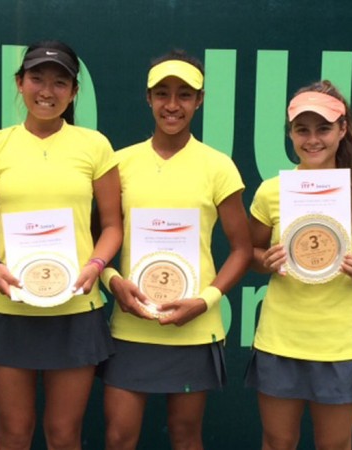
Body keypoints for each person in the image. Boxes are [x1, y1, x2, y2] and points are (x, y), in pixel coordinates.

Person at [0, 40, 122, 450]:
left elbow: (112, 226)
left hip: (75, 308)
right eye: (37, 78)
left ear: (73, 92)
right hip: (7, 307)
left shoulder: (95, 147)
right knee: (14, 433)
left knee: (64, 434)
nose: (47, 91)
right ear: (19, 83)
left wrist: (96, 264)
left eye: (60, 82)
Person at [99, 50, 252, 450]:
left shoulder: (218, 167)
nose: (172, 105)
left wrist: (205, 301)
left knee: (186, 437)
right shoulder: (119, 163)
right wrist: (112, 281)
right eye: (162, 93)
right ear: (147, 98)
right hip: (131, 324)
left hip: (193, 326)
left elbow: (242, 249)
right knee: (118, 437)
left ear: (199, 101)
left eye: (184, 95)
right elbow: (97, 244)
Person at [245, 80, 352, 450]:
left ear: (343, 129)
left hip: (339, 345)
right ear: (290, 134)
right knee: (277, 442)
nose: (312, 139)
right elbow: (249, 253)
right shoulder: (271, 191)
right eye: (302, 129)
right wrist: (264, 261)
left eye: (324, 128)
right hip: (279, 341)